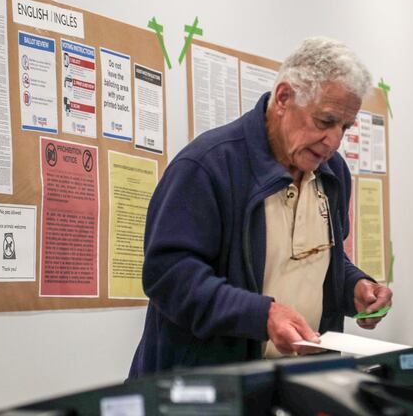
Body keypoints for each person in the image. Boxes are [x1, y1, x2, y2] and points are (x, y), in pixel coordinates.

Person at [128, 37, 393, 378]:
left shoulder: (333, 173)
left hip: (301, 384)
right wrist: (262, 315)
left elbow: (323, 260)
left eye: (345, 127)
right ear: (284, 98)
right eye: (325, 122)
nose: (334, 141)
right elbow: (169, 276)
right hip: (209, 391)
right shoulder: (208, 166)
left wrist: (354, 288)